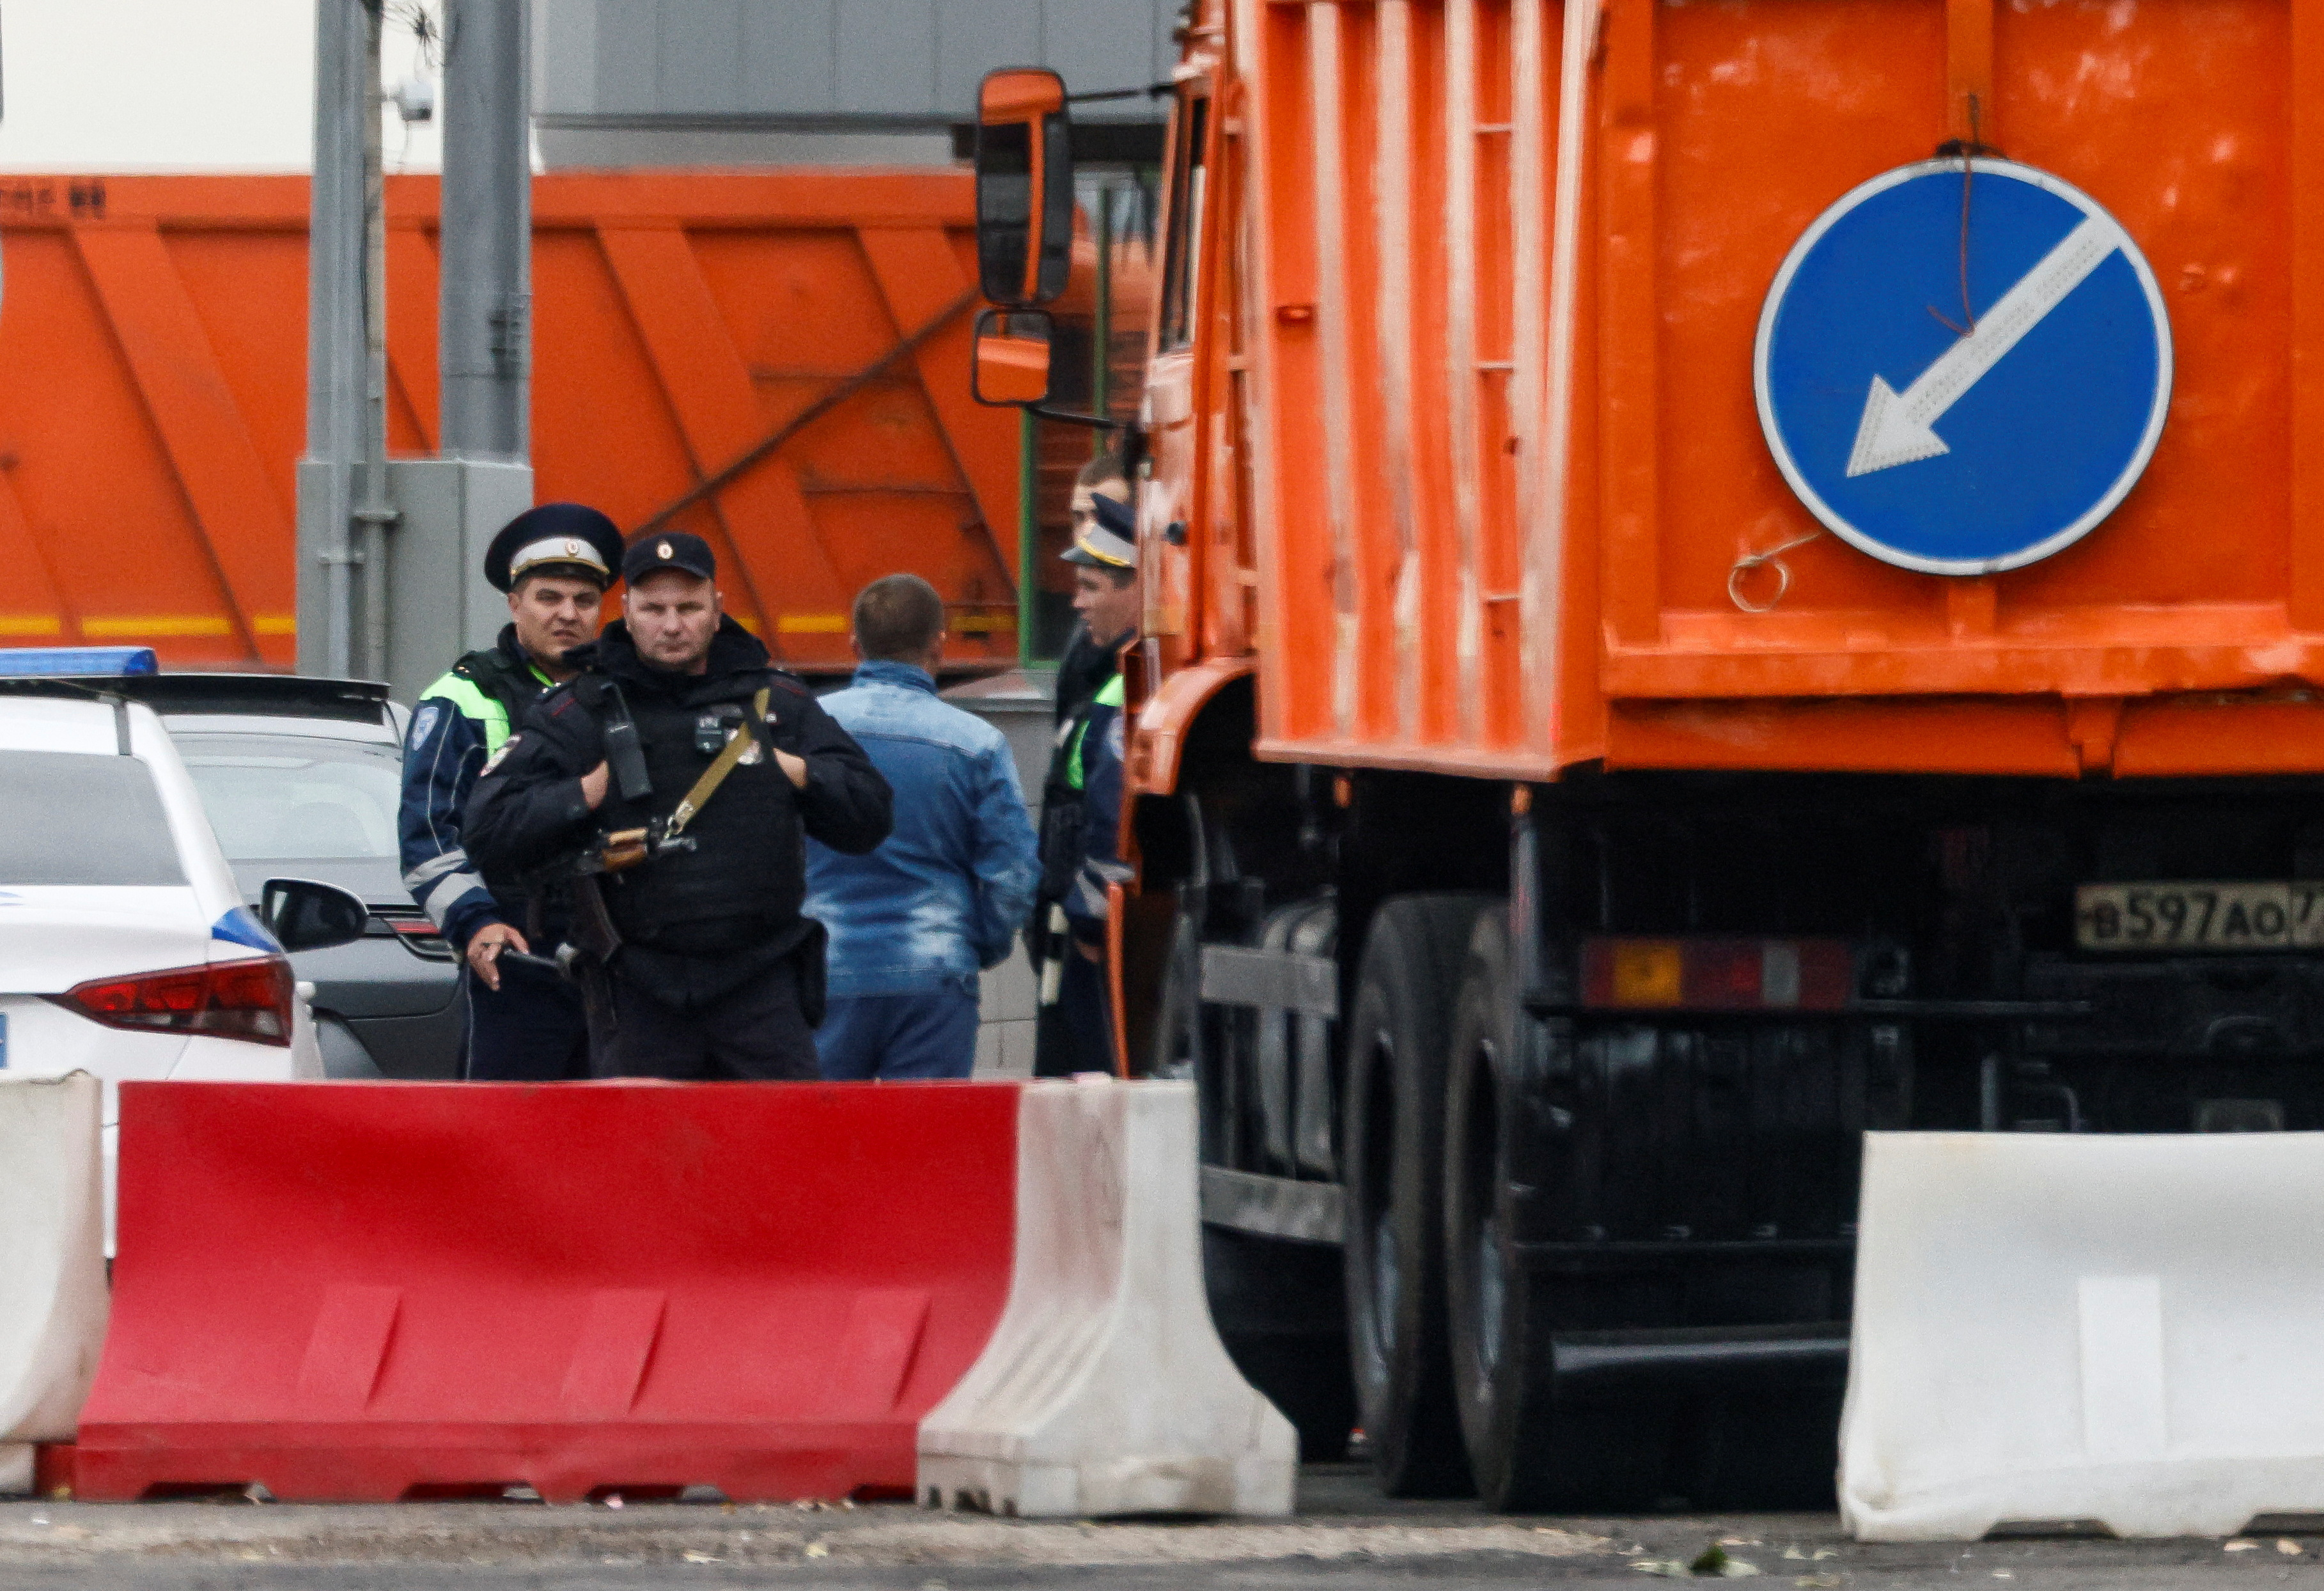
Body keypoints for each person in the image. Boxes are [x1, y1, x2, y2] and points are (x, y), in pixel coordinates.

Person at [462, 532, 892, 1080]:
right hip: (639, 993)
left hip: (760, 987)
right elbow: (489, 831)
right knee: (643, 1160)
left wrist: (794, 770)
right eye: (654, 609)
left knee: (783, 1158)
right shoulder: (581, 709)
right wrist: (590, 790)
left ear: (717, 610)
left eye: (688, 608)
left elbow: (871, 815)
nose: (671, 625)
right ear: (627, 613)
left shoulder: (775, 702)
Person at [399, 501, 624, 1081]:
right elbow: (428, 836)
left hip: (622, 960)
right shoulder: (462, 697)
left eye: (584, 601)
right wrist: (475, 924)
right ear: (515, 603)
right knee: (507, 1141)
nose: (567, 615)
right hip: (516, 954)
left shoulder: (627, 693)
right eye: (549, 598)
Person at [803, 574, 1039, 1080]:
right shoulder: (977, 744)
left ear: (854, 645)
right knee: (926, 1146)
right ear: (939, 643)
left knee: (823, 1147)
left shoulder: (805, 730)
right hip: (934, 974)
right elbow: (1013, 874)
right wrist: (978, 944)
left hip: (825, 972)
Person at [1034, 485, 1143, 1076]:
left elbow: (1108, 815)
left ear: (1139, 591)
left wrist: (1088, 918)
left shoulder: (1123, 691)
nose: (1076, 604)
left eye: (1092, 588)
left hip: (1096, 934)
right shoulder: (1104, 679)